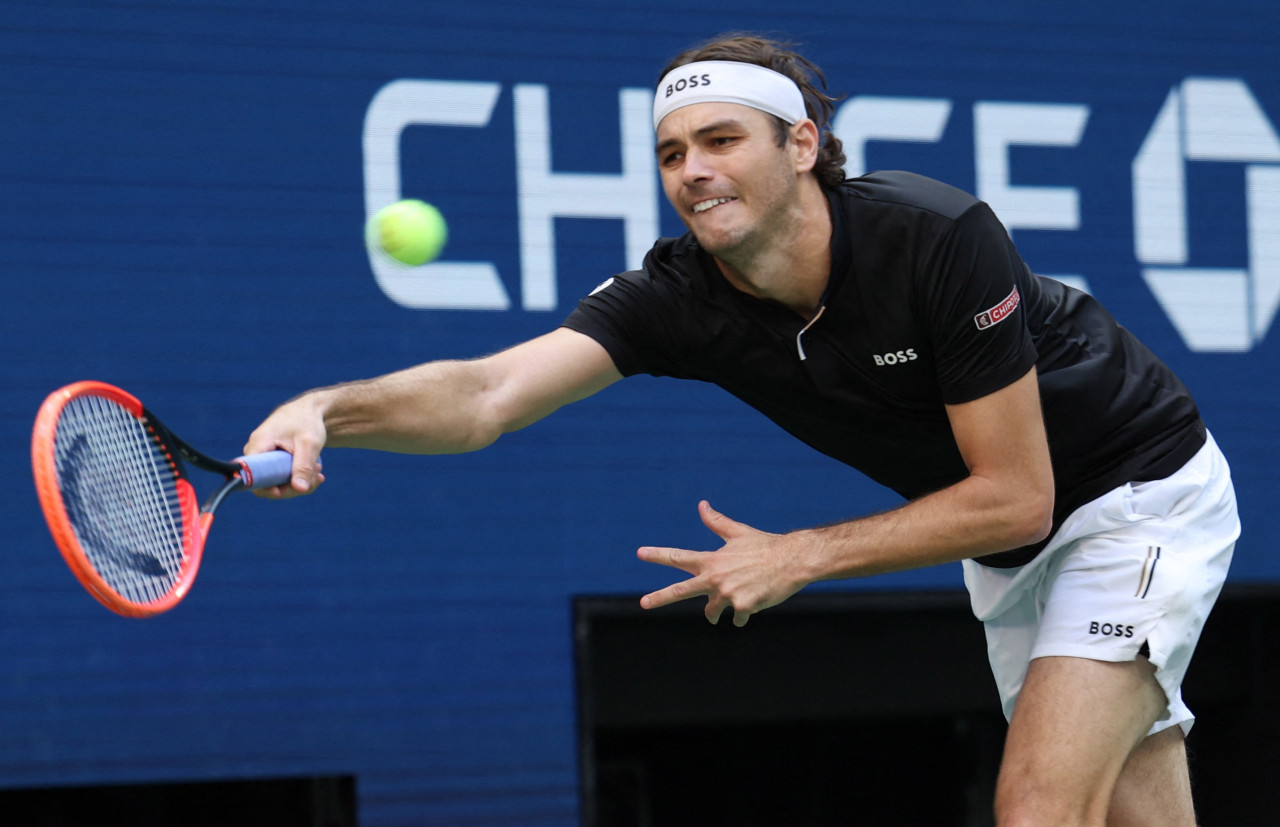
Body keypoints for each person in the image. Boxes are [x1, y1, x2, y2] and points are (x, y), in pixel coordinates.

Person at [245, 34, 1239, 826]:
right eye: (672, 152)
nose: (691, 170)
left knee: (1035, 807)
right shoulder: (673, 295)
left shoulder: (934, 238)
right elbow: (482, 394)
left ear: (800, 144)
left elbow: (1015, 491)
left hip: (1130, 493)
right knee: (1127, 805)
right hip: (1012, 549)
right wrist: (333, 409)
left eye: (721, 140)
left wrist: (801, 553)